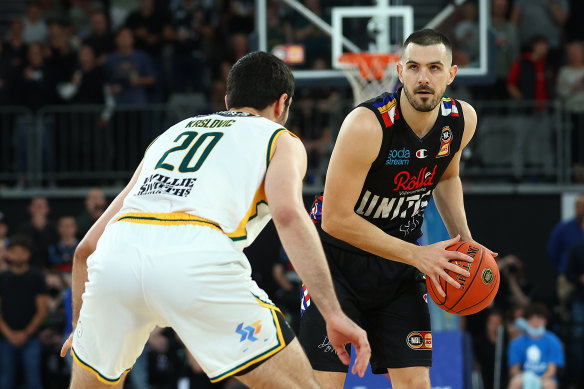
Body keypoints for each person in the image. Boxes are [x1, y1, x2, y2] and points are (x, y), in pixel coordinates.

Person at [60, 51, 370, 388]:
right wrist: (333, 313)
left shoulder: (169, 136)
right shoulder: (279, 138)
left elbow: (85, 249)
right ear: (282, 104)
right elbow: (287, 214)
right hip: (195, 258)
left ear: (227, 100)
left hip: (116, 257)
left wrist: (82, 327)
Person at [300, 29, 495, 389]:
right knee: (322, 384)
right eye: (415, 67)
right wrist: (418, 255)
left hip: (398, 266)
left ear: (451, 75)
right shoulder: (366, 125)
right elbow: (336, 219)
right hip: (337, 264)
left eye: (435, 68)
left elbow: (447, 177)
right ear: (399, 71)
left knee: (417, 384)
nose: (424, 77)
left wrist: (465, 240)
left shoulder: (461, 120)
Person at [0, 235, 49, 389]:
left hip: (31, 338)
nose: (18, 255)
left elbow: (42, 310)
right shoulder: (2, 278)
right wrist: (9, 334)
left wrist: (26, 333)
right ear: (8, 253)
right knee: (5, 382)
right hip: (5, 338)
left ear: (28, 254)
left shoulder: (37, 277)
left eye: (23, 251)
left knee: (33, 381)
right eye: (14, 251)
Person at [507, 303, 564, 389]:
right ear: (526, 322)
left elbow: (552, 370)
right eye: (532, 319)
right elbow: (514, 369)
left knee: (549, 385)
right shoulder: (517, 342)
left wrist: (538, 380)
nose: (535, 323)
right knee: (515, 382)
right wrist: (528, 378)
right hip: (524, 376)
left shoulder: (553, 341)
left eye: (539, 319)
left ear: (545, 321)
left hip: (545, 378)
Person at [556, 42, 584, 182]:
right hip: (571, 112)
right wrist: (574, 87)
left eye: (577, 52)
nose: (574, 55)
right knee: (575, 142)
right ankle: (576, 171)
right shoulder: (565, 71)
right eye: (571, 52)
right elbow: (560, 92)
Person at [564, 221, 584, 389]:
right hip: (580, 299)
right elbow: (568, 273)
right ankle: (573, 382)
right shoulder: (577, 249)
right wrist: (579, 279)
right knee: (577, 339)